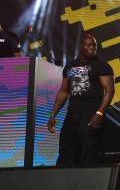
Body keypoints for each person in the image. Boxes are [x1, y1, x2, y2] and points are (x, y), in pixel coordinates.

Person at [47, 33, 115, 166]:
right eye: (88, 45)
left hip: (91, 113)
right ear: (81, 46)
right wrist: (53, 114)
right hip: (72, 114)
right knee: (66, 150)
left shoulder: (102, 65)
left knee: (90, 152)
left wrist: (99, 113)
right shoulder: (70, 66)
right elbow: (64, 91)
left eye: (94, 45)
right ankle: (64, 182)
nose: (92, 48)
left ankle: (89, 184)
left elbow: (110, 90)